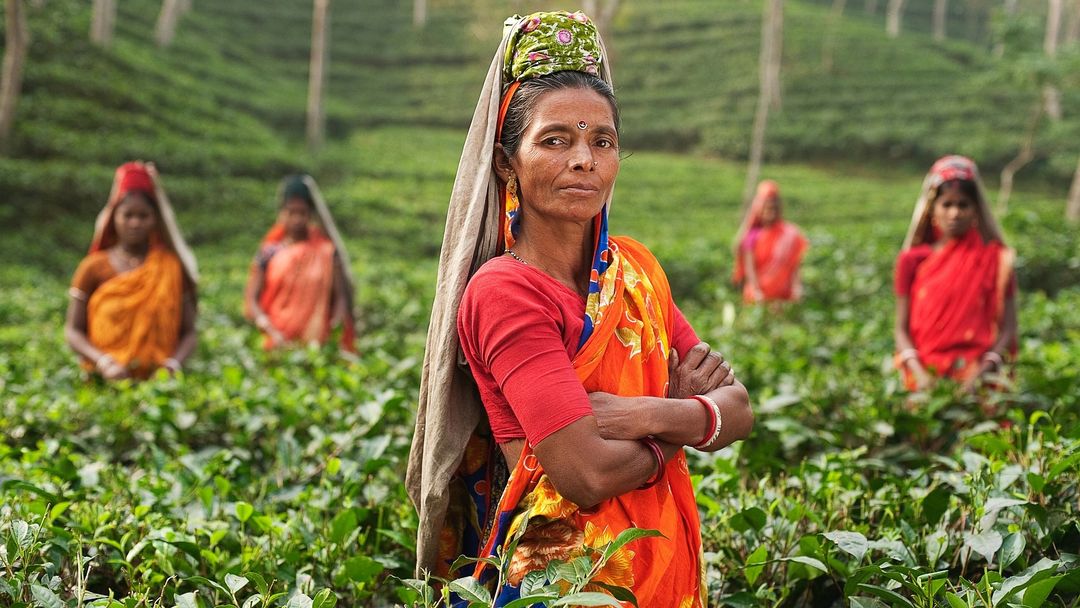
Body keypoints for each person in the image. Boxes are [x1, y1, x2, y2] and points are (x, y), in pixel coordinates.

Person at [406, 12, 753, 606]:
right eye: (555, 139)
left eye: (602, 141)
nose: (584, 159)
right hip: (564, 580)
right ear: (506, 163)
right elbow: (584, 474)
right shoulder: (506, 293)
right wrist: (682, 419)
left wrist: (643, 412)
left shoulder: (636, 269)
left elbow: (740, 409)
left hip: (657, 557)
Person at [64, 161, 199, 380]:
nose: (135, 223)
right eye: (127, 215)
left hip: (160, 385)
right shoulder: (92, 267)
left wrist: (173, 366)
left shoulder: (171, 267)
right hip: (103, 380)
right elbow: (73, 331)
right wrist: (103, 362)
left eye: (143, 216)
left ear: (155, 219)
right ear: (114, 217)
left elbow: (190, 332)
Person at [894, 155, 1017, 393]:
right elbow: (901, 329)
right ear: (932, 209)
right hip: (924, 377)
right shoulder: (912, 261)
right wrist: (919, 375)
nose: (954, 213)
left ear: (975, 211)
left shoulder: (996, 260)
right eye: (947, 204)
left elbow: (1009, 329)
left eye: (963, 205)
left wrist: (979, 376)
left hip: (978, 377)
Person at [244, 175, 356, 352]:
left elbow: (340, 297)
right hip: (274, 340)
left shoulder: (327, 251)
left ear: (310, 214)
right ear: (282, 213)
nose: (297, 219)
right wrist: (265, 324)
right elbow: (252, 299)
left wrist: (336, 327)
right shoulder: (269, 252)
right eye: (291, 212)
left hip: (317, 344)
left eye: (302, 213)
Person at [731, 180, 808, 304]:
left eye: (773, 208)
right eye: (766, 208)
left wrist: (797, 287)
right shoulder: (752, 235)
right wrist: (757, 291)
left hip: (784, 297)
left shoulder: (789, 234)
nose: (770, 212)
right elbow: (749, 268)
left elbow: (795, 266)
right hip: (758, 296)